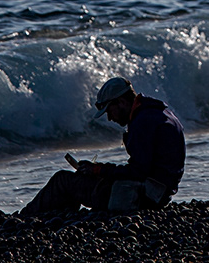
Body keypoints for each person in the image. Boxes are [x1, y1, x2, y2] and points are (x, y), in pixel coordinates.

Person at [19, 77, 185, 216]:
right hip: (159, 194)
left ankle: (26, 217)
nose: (110, 118)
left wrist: (100, 170)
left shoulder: (142, 122)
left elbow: (138, 172)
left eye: (109, 111)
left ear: (120, 102)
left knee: (62, 180)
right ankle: (56, 214)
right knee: (84, 181)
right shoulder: (159, 113)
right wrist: (102, 171)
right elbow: (145, 169)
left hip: (141, 197)